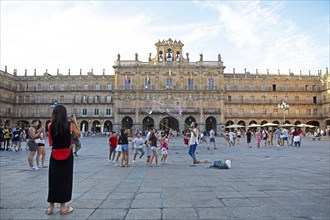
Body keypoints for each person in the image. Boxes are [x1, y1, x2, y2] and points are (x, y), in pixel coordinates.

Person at [46, 105, 80, 215]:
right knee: (65, 180)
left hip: (55, 153)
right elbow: (79, 135)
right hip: (67, 154)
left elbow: (51, 139)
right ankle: (63, 208)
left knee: (53, 179)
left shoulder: (50, 125)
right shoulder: (70, 125)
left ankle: (51, 208)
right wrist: (75, 122)